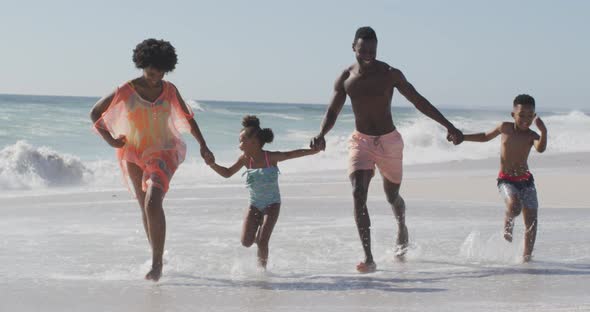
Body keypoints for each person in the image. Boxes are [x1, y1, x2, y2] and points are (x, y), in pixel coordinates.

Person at [310, 26, 463, 273]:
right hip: (361, 142)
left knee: (392, 196)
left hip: (389, 141)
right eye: (363, 50)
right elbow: (332, 111)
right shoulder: (345, 78)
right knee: (358, 192)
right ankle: (369, 257)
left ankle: (401, 225)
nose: (368, 55)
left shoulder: (390, 74)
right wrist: (321, 134)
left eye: (372, 50)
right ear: (353, 48)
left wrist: (449, 125)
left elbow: (418, 101)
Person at [90, 38, 214, 281]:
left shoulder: (169, 90)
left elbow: (188, 118)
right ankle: (157, 256)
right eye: (149, 71)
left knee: (152, 202)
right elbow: (95, 113)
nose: (154, 77)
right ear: (142, 65)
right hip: (133, 152)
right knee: (143, 206)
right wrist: (111, 141)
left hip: (164, 151)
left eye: (159, 72)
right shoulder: (126, 89)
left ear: (166, 69)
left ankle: (157, 265)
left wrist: (203, 145)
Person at [208, 115, 319, 269]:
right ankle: (258, 238)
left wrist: (313, 152)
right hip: (254, 204)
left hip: (272, 204)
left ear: (253, 141)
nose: (239, 143)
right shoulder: (244, 159)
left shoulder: (270, 157)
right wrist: (212, 164)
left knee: (263, 241)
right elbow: (227, 173)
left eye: (241, 140)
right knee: (246, 242)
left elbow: (291, 154)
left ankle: (262, 272)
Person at [463, 94, 547, 262]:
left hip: (526, 181)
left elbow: (541, 148)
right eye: (521, 115)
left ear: (534, 116)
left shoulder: (532, 135)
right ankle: (509, 219)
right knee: (515, 207)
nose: (526, 119)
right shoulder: (505, 128)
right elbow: (485, 136)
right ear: (513, 115)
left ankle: (526, 258)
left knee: (531, 221)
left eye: (530, 116)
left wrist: (543, 131)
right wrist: (463, 137)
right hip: (506, 180)